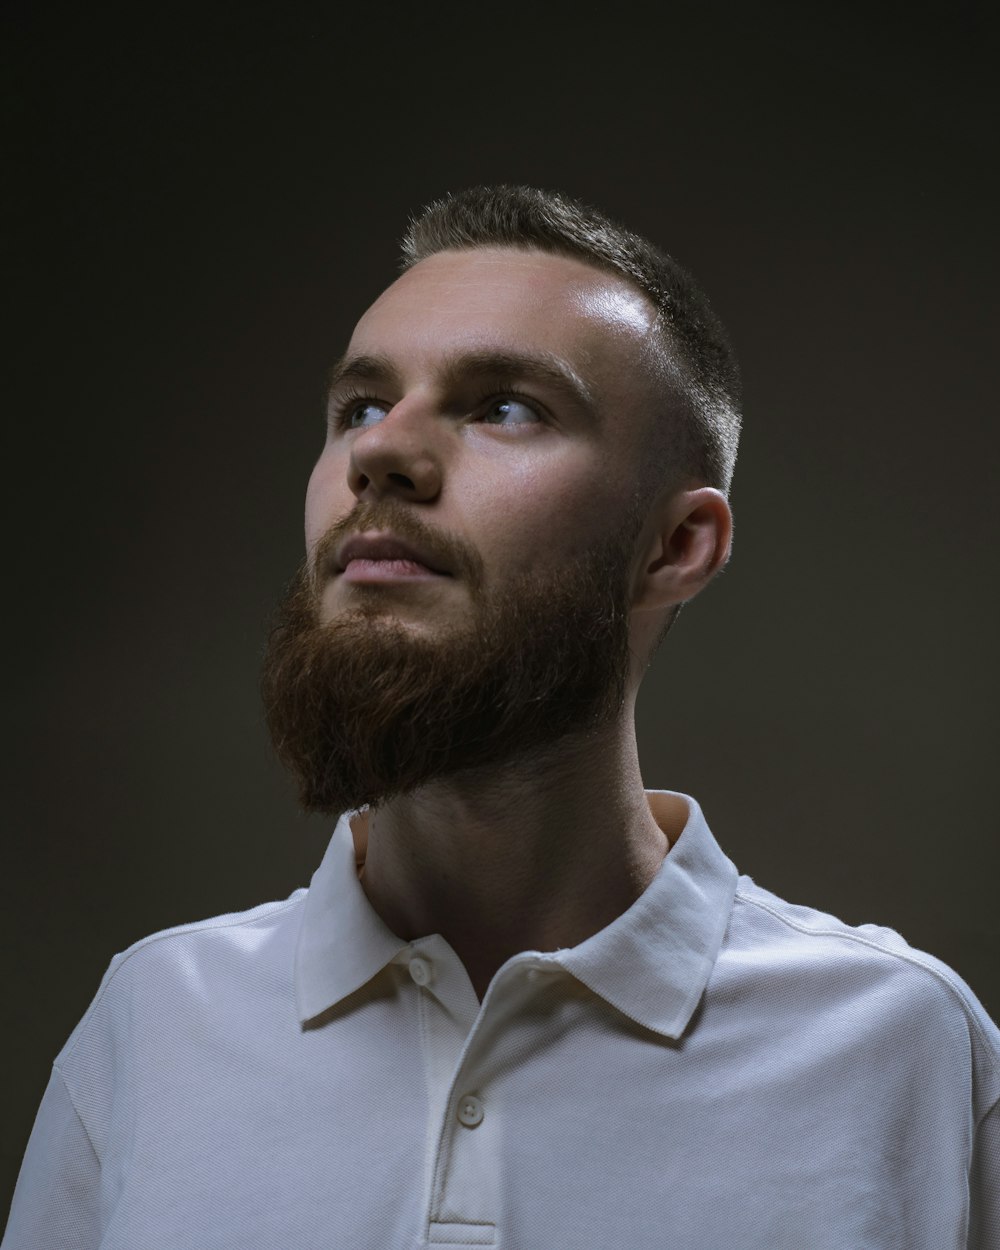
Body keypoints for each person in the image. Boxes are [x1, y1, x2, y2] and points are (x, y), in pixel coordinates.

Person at [4, 186, 997, 1249]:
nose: (380, 455)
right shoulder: (154, 1021)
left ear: (675, 548)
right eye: (359, 407)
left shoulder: (903, 1048)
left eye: (505, 407)